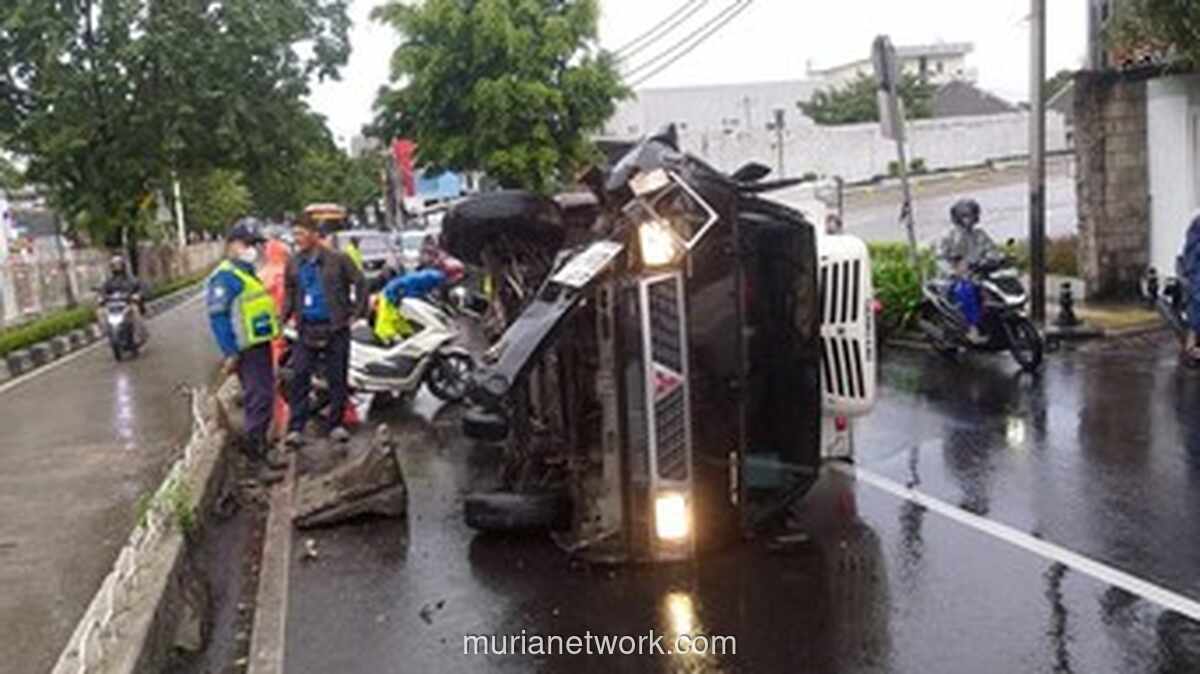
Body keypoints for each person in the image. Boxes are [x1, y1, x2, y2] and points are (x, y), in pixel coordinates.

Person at [282, 213, 368, 446]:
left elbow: (360, 283)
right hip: (306, 329)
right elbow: (290, 293)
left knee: (337, 378)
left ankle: (336, 424)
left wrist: (357, 313)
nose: (297, 239)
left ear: (313, 234)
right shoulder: (293, 263)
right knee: (300, 376)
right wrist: (282, 319)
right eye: (295, 234)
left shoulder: (338, 259)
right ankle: (295, 428)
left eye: (300, 233)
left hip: (335, 327)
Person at [206, 219, 285, 469]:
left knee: (264, 396)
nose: (255, 249)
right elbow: (218, 317)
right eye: (249, 244)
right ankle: (256, 460)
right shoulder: (225, 278)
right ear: (233, 245)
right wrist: (230, 352)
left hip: (259, 346)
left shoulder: (247, 274)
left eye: (257, 244)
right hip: (245, 351)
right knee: (257, 399)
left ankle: (262, 449)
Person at [937, 198, 996, 344]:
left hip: (977, 275)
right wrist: (953, 271)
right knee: (967, 290)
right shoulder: (948, 236)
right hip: (951, 280)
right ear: (957, 217)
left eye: (973, 215)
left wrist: (996, 258)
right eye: (966, 216)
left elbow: (991, 250)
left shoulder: (980, 234)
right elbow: (940, 258)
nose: (970, 219)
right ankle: (972, 329)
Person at [100, 255, 148, 343]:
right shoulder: (109, 281)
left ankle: (139, 334)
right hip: (114, 306)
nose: (116, 267)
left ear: (123, 265)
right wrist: (101, 298)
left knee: (135, 309)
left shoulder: (131, 279)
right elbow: (103, 291)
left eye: (118, 264)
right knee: (101, 312)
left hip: (128, 304)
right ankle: (108, 334)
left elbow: (141, 287)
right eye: (114, 265)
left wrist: (137, 295)